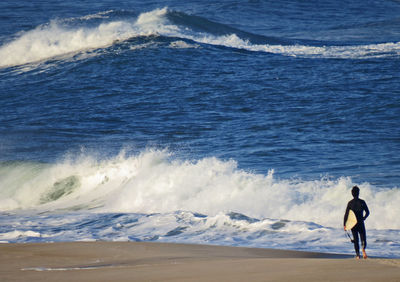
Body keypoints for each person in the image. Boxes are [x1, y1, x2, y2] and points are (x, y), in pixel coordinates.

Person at [344, 185, 370, 259]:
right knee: (363, 238)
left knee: (356, 240)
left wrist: (345, 224)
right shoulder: (362, 202)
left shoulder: (350, 203)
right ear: (358, 193)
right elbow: (368, 212)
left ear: (352, 193)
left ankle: (358, 255)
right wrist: (364, 218)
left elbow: (346, 215)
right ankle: (363, 249)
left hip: (353, 224)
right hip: (361, 223)